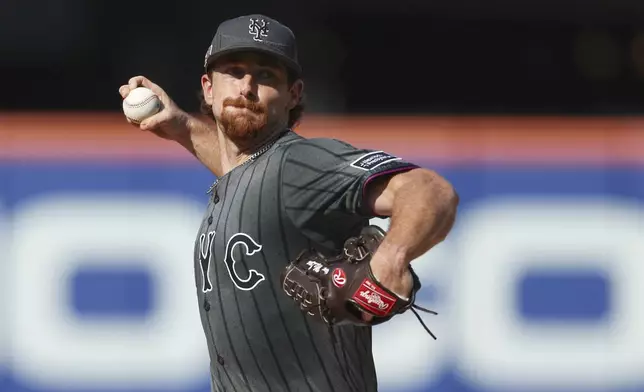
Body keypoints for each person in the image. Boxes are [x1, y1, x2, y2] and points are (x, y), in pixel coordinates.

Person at [119, 14, 458, 392]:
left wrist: (393, 255)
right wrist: (181, 126)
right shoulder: (251, 176)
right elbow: (247, 174)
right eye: (233, 71)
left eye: (266, 76)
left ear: (293, 95)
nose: (247, 87)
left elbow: (431, 191)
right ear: (208, 88)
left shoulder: (299, 163)